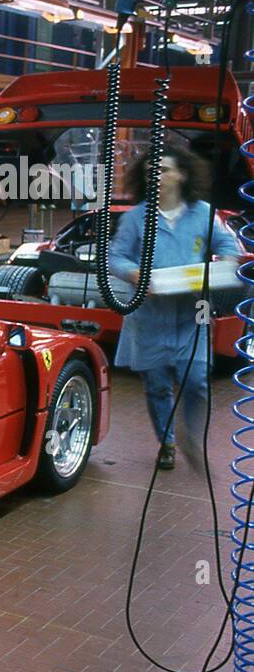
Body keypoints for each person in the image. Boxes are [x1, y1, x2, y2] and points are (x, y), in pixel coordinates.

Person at [108, 143, 240, 470]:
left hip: (192, 314)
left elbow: (227, 245)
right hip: (149, 316)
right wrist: (133, 273)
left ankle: (189, 434)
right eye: (152, 170)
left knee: (196, 381)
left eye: (164, 169)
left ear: (181, 174)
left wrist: (223, 264)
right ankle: (166, 441)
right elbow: (115, 257)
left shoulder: (203, 214)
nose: (158, 175)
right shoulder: (137, 218)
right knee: (157, 387)